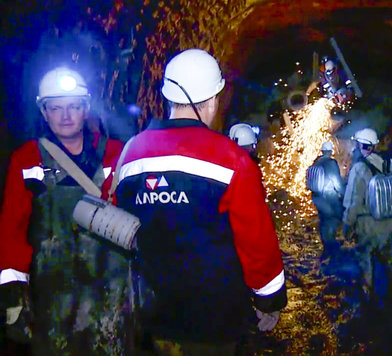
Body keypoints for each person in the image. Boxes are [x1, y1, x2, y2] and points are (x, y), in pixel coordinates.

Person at [114, 49, 287, 355]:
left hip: (149, 312)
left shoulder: (129, 154)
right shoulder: (232, 159)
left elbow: (118, 223)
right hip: (212, 318)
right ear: (211, 101)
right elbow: (256, 240)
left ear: (169, 98)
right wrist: (268, 299)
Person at [0, 66, 128, 355]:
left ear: (85, 109)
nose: (65, 116)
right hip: (53, 299)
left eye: (73, 107)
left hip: (109, 295)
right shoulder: (27, 159)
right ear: (44, 112)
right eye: (56, 108)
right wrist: (13, 295)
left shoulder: (117, 155)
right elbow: (12, 229)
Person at [342, 128, 392, 301]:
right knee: (389, 258)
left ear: (361, 145)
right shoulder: (389, 163)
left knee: (365, 260)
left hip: (367, 224)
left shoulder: (359, 168)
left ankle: (369, 299)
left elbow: (353, 200)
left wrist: (347, 223)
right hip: (389, 221)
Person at [307, 141, 345, 266]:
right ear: (330, 151)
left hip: (317, 197)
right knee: (333, 220)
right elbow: (337, 182)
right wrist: (344, 194)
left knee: (323, 221)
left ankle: (326, 247)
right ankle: (331, 249)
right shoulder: (331, 163)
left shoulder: (316, 162)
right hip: (329, 197)